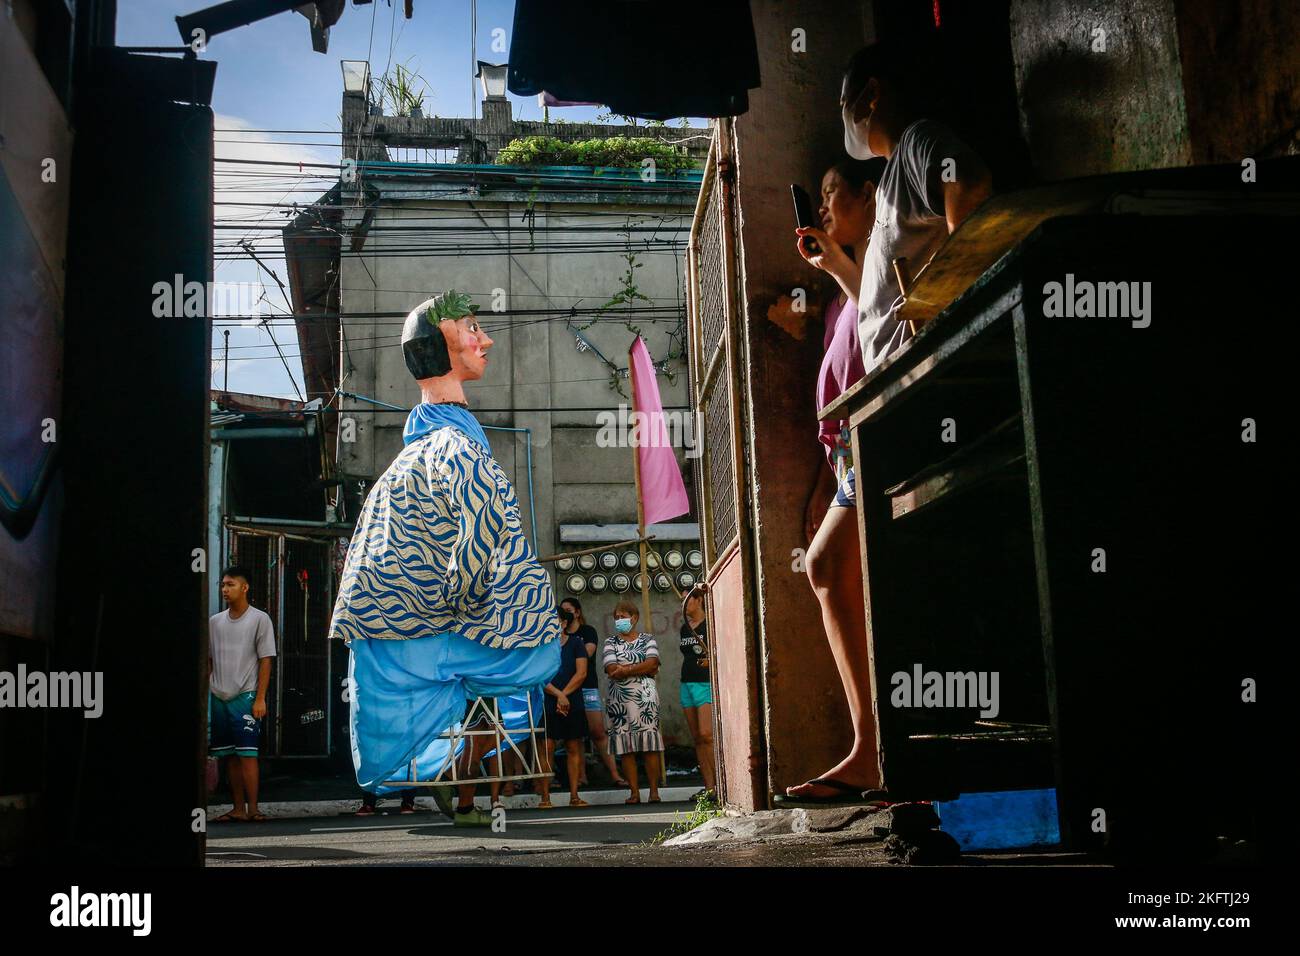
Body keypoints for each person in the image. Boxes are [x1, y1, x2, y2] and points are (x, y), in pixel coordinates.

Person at [780, 43, 992, 806]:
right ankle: (876, 748)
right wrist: (838, 265)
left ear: (868, 96)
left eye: (842, 106)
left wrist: (954, 316)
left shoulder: (920, 144)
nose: (842, 125)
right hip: (886, 413)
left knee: (836, 567)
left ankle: (882, 750)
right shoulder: (900, 177)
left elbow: (972, 192)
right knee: (834, 568)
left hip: (913, 404)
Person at [329, 290, 561, 828]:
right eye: (472, 327)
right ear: (441, 344)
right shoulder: (456, 447)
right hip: (426, 615)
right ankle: (455, 704)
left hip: (390, 619)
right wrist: (466, 595)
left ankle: (448, 741)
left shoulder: (416, 452)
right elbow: (481, 528)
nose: (486, 339)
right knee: (534, 642)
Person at [794, 156, 884, 542]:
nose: (821, 207)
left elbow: (881, 312)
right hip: (844, 450)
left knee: (825, 565)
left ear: (867, 195)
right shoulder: (837, 302)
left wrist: (832, 261)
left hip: (877, 432)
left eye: (830, 192)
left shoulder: (883, 276)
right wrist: (822, 484)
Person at [208, 566, 276, 823]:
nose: (225, 589)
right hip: (219, 695)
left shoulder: (259, 619)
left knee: (248, 754)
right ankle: (237, 808)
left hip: (245, 695)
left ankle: (254, 808)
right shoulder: (214, 622)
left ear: (244, 587)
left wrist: (260, 698)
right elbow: (209, 661)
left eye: (230, 584)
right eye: (223, 585)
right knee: (230, 756)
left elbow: (266, 660)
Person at [562, 596, 629, 788]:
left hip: (587, 686)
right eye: (563, 610)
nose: (566, 613)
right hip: (567, 689)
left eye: (569, 609)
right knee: (575, 735)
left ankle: (615, 774)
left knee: (598, 731)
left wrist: (572, 651)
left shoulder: (587, 632)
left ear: (577, 612)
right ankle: (581, 776)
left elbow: (586, 654)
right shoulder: (559, 636)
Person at [602, 600, 663, 804]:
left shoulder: (648, 639)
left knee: (649, 745)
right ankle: (634, 792)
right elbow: (611, 668)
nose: (619, 620)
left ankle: (654, 792)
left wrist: (626, 669)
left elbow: (653, 664)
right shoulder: (611, 642)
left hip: (645, 700)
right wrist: (641, 666)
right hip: (620, 701)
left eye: (623, 616)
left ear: (634, 618)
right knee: (625, 746)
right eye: (616, 617)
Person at [538, 609, 590, 808]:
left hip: (572, 701)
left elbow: (582, 673)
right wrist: (559, 695)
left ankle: (575, 795)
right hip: (549, 701)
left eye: (557, 621)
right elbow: (539, 676)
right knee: (546, 747)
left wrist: (565, 695)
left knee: (573, 746)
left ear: (564, 623)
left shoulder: (576, 643)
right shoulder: (541, 646)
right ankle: (545, 796)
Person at [678, 584, 716, 797]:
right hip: (687, 683)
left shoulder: (709, 624)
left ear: (698, 600)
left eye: (687, 599)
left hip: (705, 683)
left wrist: (709, 662)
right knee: (697, 738)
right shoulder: (685, 627)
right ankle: (709, 786)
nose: (683, 604)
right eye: (681, 600)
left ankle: (720, 785)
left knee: (707, 734)